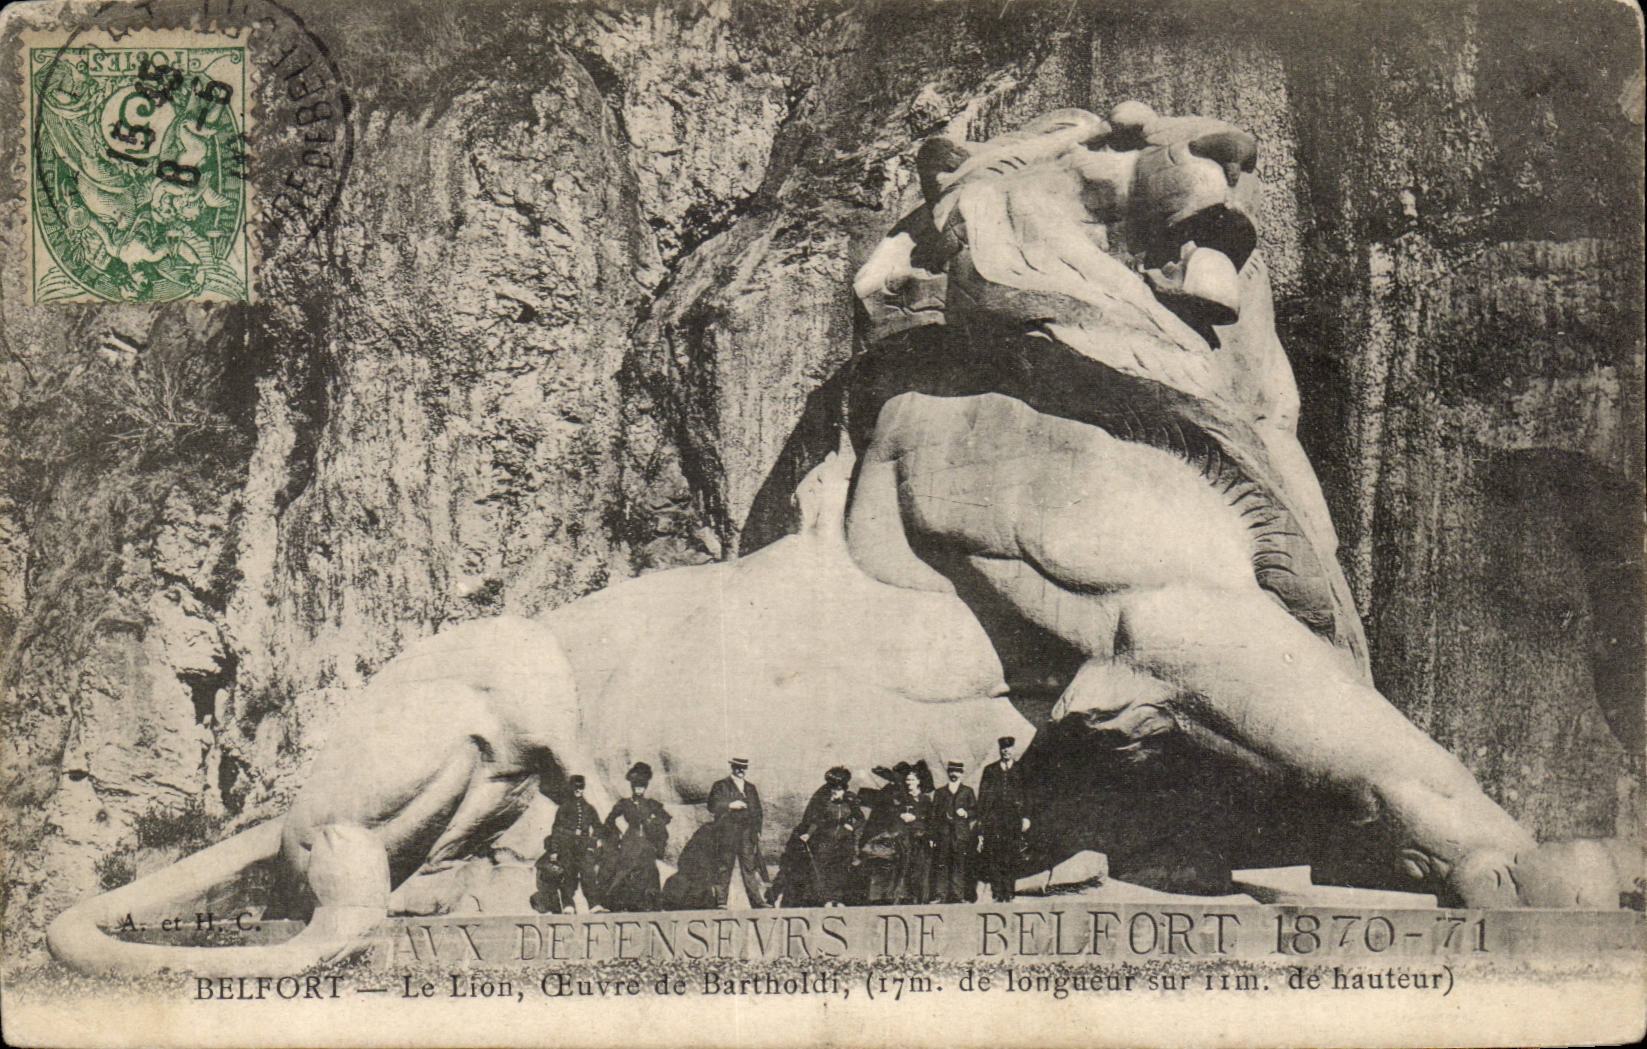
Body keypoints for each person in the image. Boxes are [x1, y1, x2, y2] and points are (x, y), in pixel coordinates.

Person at [771, 766, 862, 907]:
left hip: (843, 841)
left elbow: (860, 818)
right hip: (825, 840)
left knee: (840, 870)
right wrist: (808, 834)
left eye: (838, 788)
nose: (834, 791)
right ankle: (822, 899)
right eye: (833, 788)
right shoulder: (823, 799)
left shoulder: (850, 800)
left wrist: (851, 827)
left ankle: (837, 899)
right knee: (820, 869)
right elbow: (815, 819)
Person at [600, 762, 670, 912]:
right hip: (630, 840)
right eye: (637, 786)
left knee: (649, 871)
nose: (639, 789)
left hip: (646, 841)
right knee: (626, 869)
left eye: (642, 786)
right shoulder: (624, 803)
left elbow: (666, 818)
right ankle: (618, 903)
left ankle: (649, 904)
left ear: (645, 788)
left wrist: (653, 821)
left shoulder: (652, 804)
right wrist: (617, 834)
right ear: (632, 787)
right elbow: (609, 820)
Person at [861, 761, 932, 905]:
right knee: (902, 868)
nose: (908, 782)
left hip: (920, 839)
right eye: (907, 780)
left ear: (919, 781)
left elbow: (930, 818)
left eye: (912, 780)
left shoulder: (925, 799)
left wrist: (916, 819)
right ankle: (899, 897)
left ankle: (918, 898)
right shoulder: (901, 797)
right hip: (904, 838)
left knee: (919, 870)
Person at [532, 774, 602, 913]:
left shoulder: (589, 808)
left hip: (583, 847)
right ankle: (568, 905)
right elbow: (556, 829)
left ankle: (594, 905)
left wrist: (592, 843)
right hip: (567, 847)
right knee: (568, 876)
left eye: (580, 788)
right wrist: (554, 850)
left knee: (588, 874)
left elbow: (598, 827)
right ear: (571, 788)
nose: (578, 790)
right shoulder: (564, 808)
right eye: (576, 788)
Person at [706, 758, 769, 908]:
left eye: (744, 768)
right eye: (738, 768)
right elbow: (711, 805)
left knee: (749, 867)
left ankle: (757, 901)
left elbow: (758, 811)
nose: (741, 771)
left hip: (747, 834)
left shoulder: (750, 788)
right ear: (732, 768)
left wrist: (757, 830)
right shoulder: (720, 785)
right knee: (724, 866)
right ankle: (721, 902)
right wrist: (730, 805)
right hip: (727, 833)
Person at [978, 736, 1030, 902]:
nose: (1006, 751)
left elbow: (1028, 796)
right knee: (994, 856)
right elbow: (983, 797)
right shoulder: (990, 770)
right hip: (994, 820)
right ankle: (997, 892)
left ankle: (1009, 892)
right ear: (1000, 750)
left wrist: (1026, 817)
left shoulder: (1021, 769)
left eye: (1009, 748)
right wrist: (983, 821)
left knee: (1011, 855)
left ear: (1013, 749)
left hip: (1013, 820)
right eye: (1003, 748)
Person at [929, 759, 977, 903]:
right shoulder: (940, 792)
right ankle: (940, 895)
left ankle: (958, 895)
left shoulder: (967, 791)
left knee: (959, 865)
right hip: (943, 834)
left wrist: (966, 813)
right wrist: (933, 836)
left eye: (957, 771)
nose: (954, 774)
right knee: (942, 864)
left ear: (961, 773)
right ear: (948, 772)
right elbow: (933, 816)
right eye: (951, 771)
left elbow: (975, 810)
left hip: (961, 835)